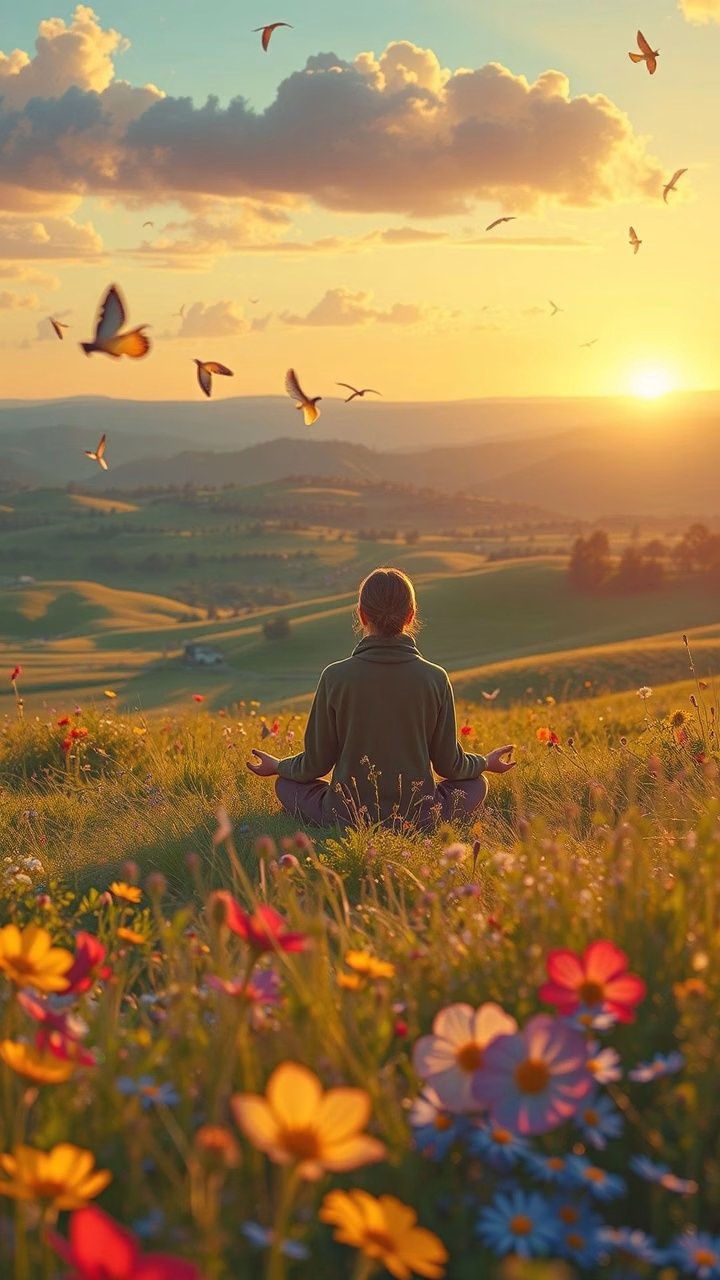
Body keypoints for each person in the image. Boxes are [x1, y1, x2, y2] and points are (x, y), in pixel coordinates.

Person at [246, 567, 515, 829]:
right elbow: (449, 765)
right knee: (476, 784)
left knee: (286, 784)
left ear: (362, 615)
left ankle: (337, 816)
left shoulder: (335, 677)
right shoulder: (435, 678)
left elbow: (316, 763)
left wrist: (278, 766)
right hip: (419, 815)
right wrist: (485, 762)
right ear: (410, 616)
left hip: (346, 815)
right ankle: (419, 820)